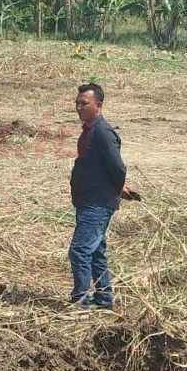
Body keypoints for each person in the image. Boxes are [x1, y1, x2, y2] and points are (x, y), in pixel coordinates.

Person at [69, 83, 138, 310]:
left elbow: (118, 168)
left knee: (80, 250)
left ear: (98, 105)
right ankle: (104, 298)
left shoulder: (103, 133)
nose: (79, 107)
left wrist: (117, 189)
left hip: (97, 203)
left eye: (84, 103)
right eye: (77, 103)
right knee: (96, 251)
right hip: (89, 199)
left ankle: (81, 300)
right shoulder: (90, 130)